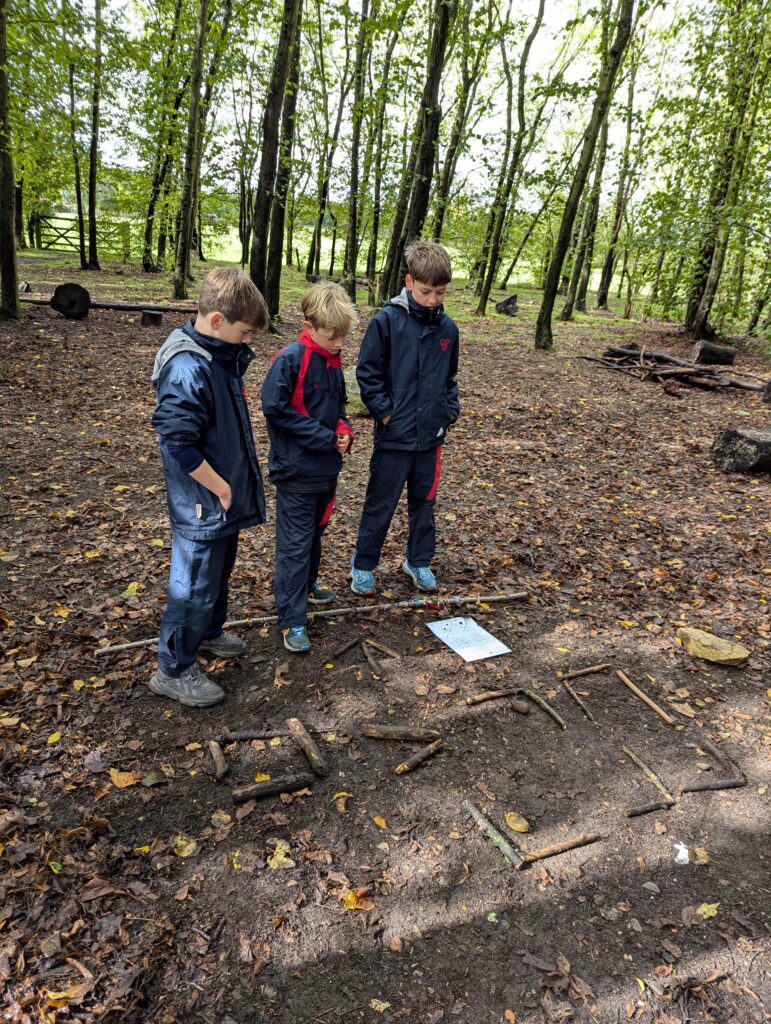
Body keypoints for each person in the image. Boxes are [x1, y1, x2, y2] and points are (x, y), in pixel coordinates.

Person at [149, 267, 268, 707]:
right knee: (194, 583)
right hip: (203, 502)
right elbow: (178, 441)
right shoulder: (187, 366)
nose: (248, 341)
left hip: (221, 499)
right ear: (217, 320)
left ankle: (210, 632)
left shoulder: (218, 356)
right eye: (245, 332)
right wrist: (219, 487)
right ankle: (174, 669)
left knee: (219, 572)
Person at [351, 240, 460, 595]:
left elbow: (449, 378)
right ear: (409, 281)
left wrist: (449, 410)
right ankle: (364, 565)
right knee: (380, 503)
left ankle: (418, 561)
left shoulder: (448, 329)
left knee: (424, 504)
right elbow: (367, 374)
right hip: (394, 436)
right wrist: (383, 412)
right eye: (427, 291)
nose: (433, 300)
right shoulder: (387, 321)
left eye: (440, 293)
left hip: (431, 437)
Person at [261, 282, 355, 653]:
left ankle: (308, 585)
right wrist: (324, 437)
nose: (339, 343)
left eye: (343, 336)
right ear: (309, 325)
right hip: (296, 472)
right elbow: (276, 409)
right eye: (332, 336)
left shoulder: (333, 361)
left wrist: (344, 431)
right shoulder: (291, 359)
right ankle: (292, 618)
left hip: (325, 472)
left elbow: (340, 408)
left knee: (316, 534)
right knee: (294, 546)